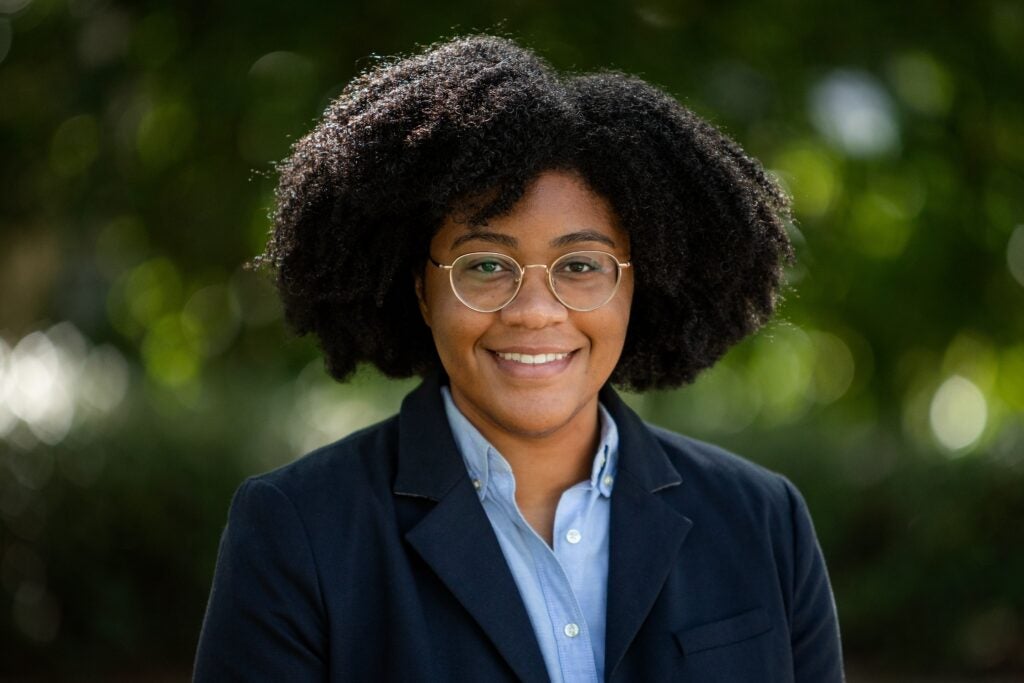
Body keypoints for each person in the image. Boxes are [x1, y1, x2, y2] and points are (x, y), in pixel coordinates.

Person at [194, 34, 844, 682]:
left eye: (582, 265)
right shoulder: (297, 530)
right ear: (421, 290)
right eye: (485, 265)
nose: (534, 310)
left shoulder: (764, 521)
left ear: (639, 284)